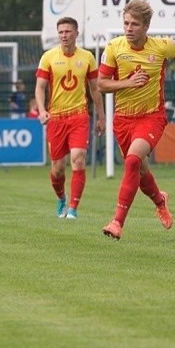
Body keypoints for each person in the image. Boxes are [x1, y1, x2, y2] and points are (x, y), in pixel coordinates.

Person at [98, 0, 175, 240]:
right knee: (140, 172)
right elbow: (101, 84)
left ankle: (117, 223)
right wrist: (127, 83)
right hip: (123, 120)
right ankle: (160, 199)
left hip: (151, 117)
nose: (128, 28)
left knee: (132, 161)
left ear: (146, 26)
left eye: (134, 24)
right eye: (126, 23)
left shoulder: (161, 47)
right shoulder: (113, 47)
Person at [35, 17, 105, 220]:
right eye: (61, 32)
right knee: (57, 169)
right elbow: (39, 87)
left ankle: (73, 209)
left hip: (79, 116)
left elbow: (95, 89)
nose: (64, 35)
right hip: (56, 118)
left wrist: (101, 117)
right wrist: (41, 110)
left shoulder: (88, 58)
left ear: (76, 33)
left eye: (67, 31)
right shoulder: (48, 57)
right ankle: (61, 198)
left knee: (78, 159)